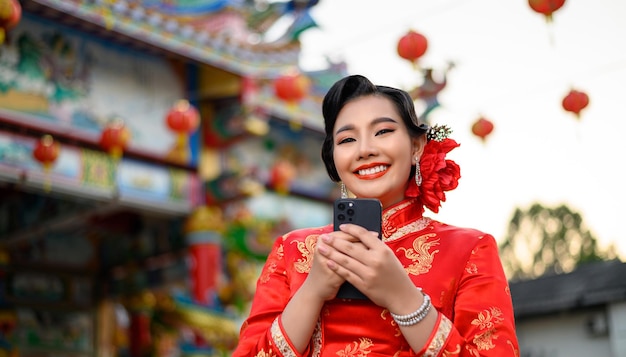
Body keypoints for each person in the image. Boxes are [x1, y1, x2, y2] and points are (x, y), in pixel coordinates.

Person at [232, 74, 519, 356]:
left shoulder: (470, 249)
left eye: (382, 132)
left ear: (416, 147)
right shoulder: (292, 250)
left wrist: (403, 298)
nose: (365, 150)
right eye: (347, 140)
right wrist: (313, 290)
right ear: (334, 157)